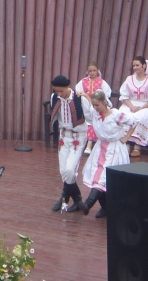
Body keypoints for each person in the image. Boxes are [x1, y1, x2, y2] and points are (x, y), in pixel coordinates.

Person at [79, 90, 138, 217]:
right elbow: (88, 106)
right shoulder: (95, 114)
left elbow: (134, 121)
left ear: (104, 102)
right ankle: (105, 207)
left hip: (114, 149)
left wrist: (126, 137)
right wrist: (83, 96)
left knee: (103, 177)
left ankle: (88, 204)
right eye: (94, 105)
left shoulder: (116, 115)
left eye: (97, 105)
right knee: (96, 175)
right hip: (100, 147)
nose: (95, 108)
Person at [48, 75, 89, 213]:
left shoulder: (79, 97)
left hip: (78, 136)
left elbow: (90, 116)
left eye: (61, 91)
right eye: (57, 91)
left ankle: (64, 197)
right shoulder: (54, 97)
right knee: (63, 171)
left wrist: (88, 98)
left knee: (70, 170)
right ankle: (77, 200)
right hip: (64, 136)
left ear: (68, 87)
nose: (59, 94)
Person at [118, 55, 148, 157]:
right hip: (130, 104)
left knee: (140, 116)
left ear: (144, 66)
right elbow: (124, 96)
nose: (135, 67)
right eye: (134, 65)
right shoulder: (129, 79)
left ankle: (137, 146)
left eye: (137, 65)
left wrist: (141, 108)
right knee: (124, 115)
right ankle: (126, 144)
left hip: (146, 105)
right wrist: (132, 107)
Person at [75, 62, 112, 155]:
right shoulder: (83, 81)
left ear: (97, 70)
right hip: (85, 105)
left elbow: (106, 93)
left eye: (94, 70)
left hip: (97, 105)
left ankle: (90, 144)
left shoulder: (101, 82)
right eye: (90, 71)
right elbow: (78, 91)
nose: (92, 73)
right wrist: (82, 94)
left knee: (94, 119)